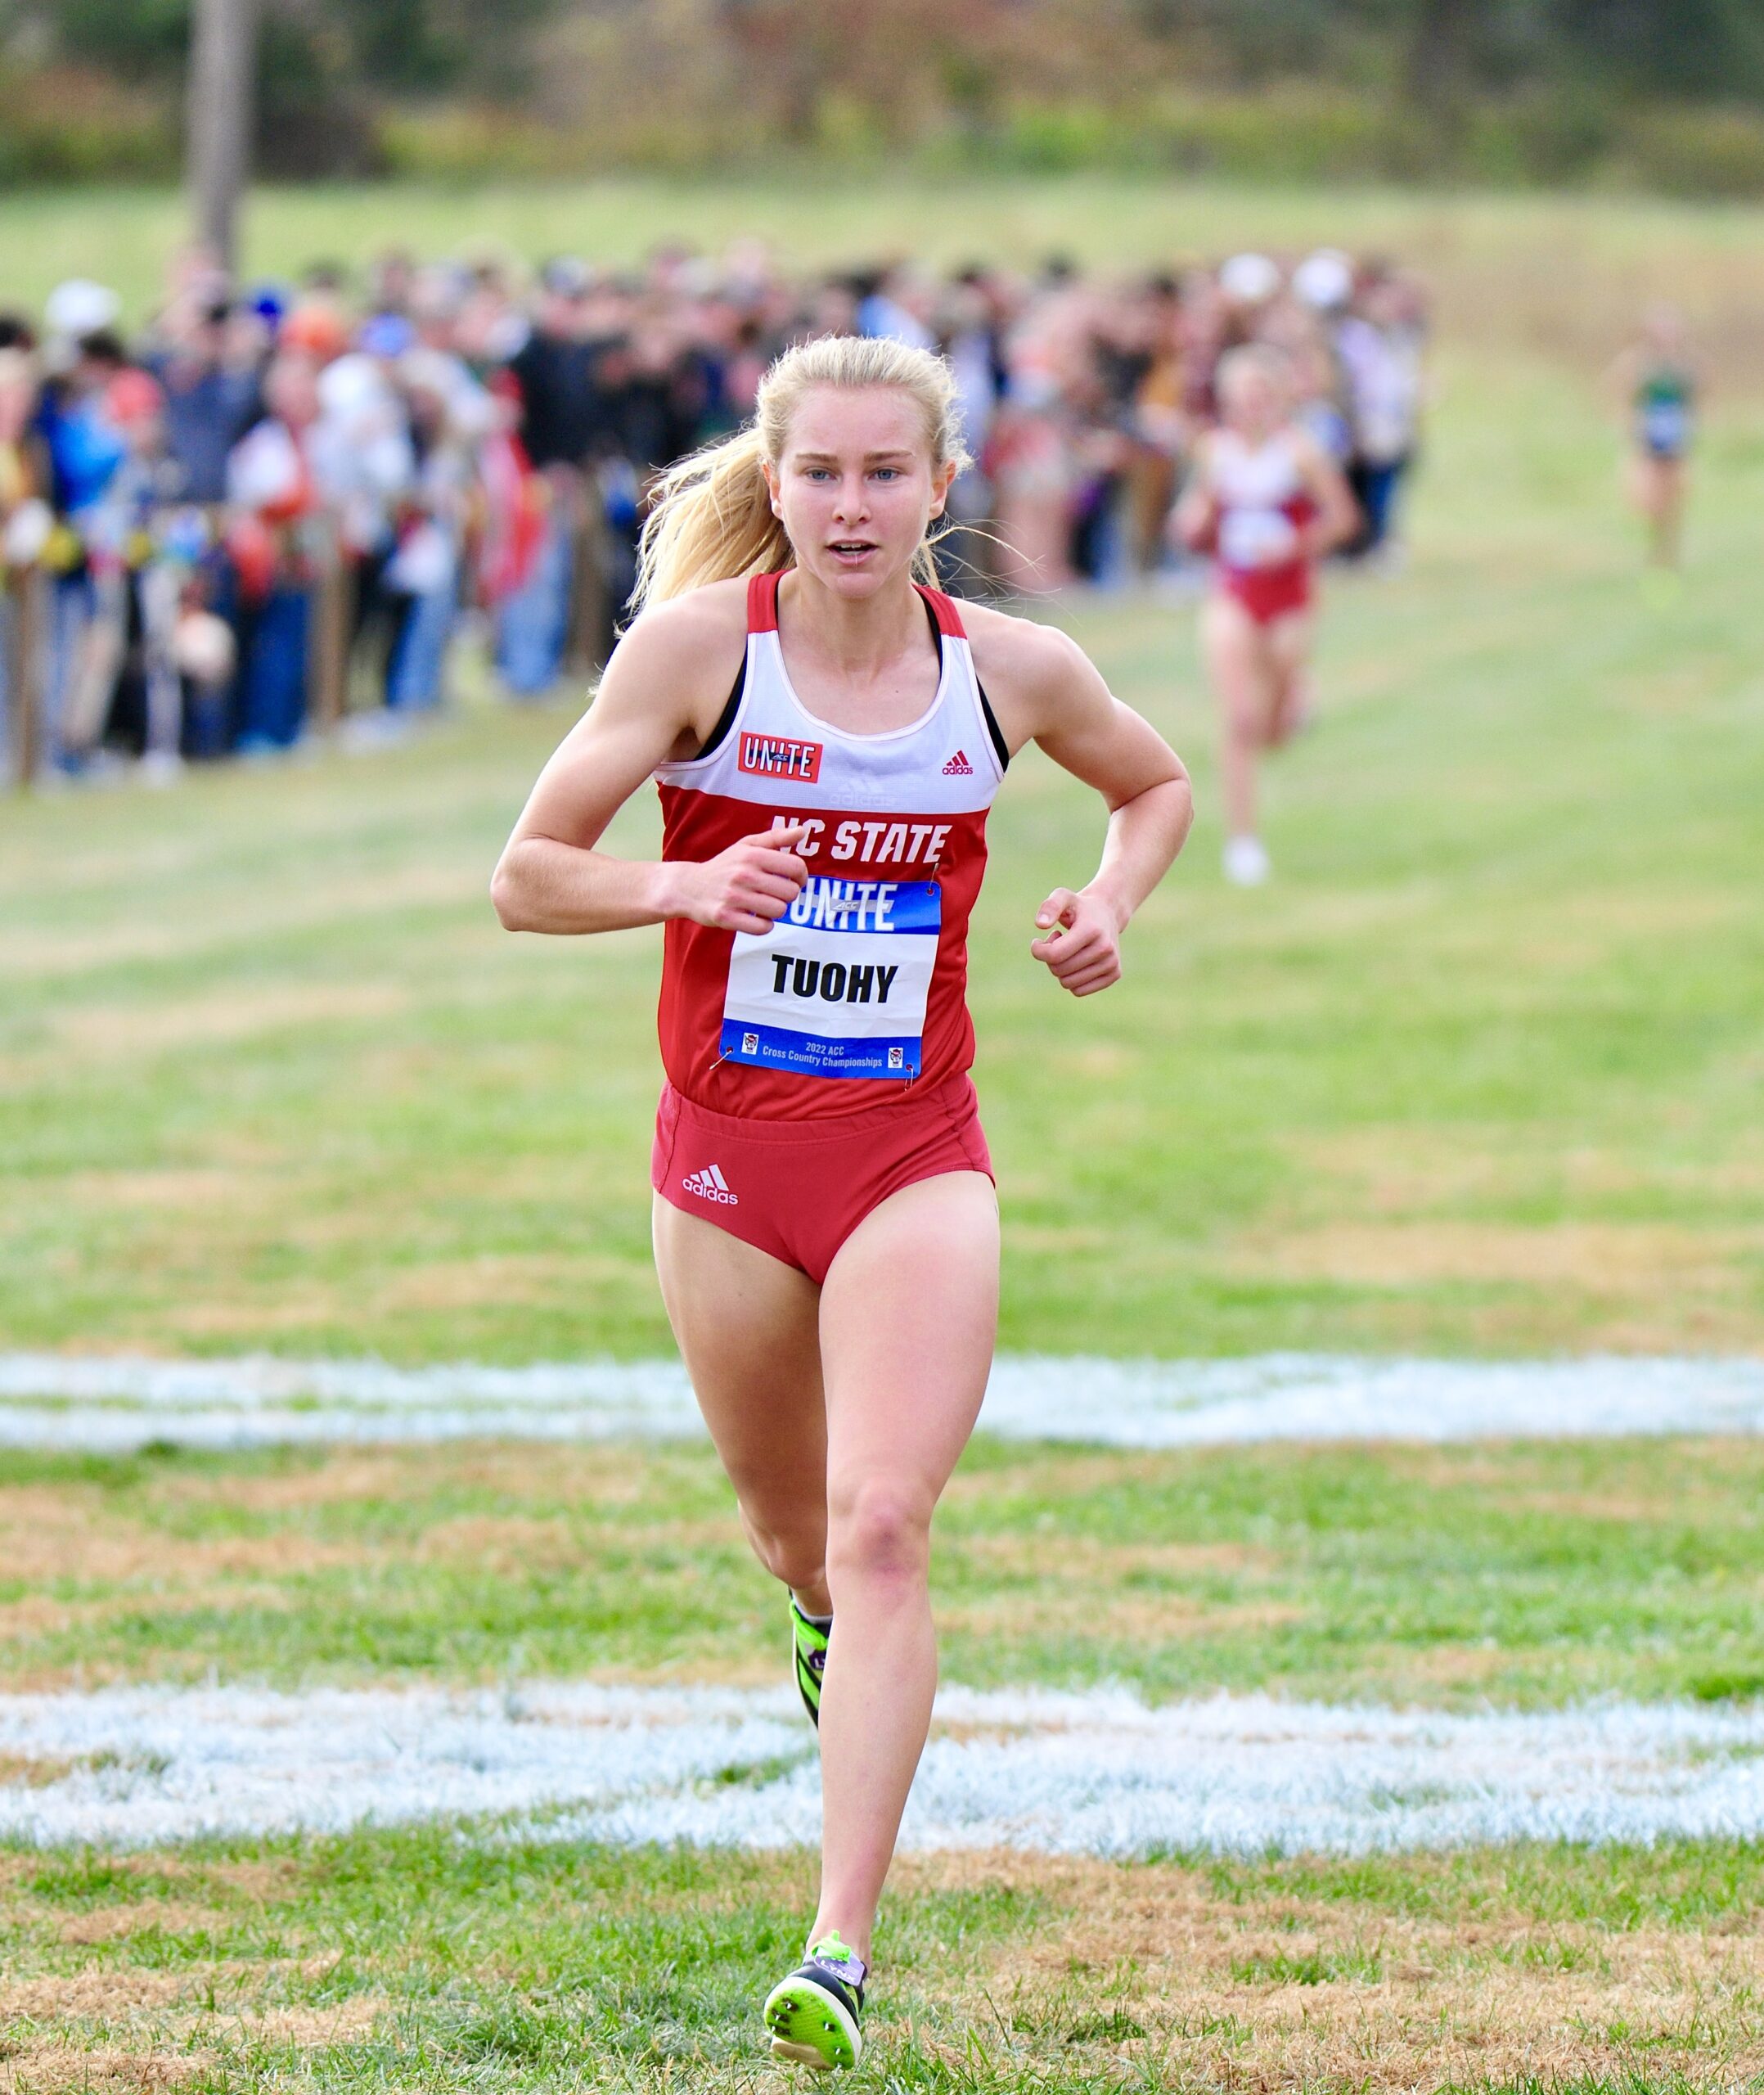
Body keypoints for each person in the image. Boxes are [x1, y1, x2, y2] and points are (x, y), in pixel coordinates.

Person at [490, 334, 1190, 2070]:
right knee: (801, 1534)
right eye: (821, 474)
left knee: (885, 1520)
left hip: (909, 1156)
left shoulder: (1011, 673)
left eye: (888, 474)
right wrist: (686, 875)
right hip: (725, 1164)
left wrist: (1111, 897)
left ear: (943, 489)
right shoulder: (696, 655)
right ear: (777, 482)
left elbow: (1152, 782)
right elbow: (525, 874)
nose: (853, 505)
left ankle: (838, 1947)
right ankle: (812, 1617)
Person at [1176, 343, 1356, 886]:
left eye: (1260, 395)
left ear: (1278, 398)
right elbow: (1199, 510)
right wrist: (1191, 521)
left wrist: (1295, 545)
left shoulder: (1299, 452)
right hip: (1233, 591)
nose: (1249, 406)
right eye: (1239, 396)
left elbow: (1343, 519)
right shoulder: (1213, 450)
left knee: (1274, 728)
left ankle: (1294, 699)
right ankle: (1243, 842)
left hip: (1290, 596)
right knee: (1239, 719)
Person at [1611, 304, 1696, 572]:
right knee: (1649, 498)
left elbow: (1699, 393)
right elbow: (1617, 389)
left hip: (1676, 438)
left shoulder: (1685, 365)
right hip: (1648, 438)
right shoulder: (1638, 364)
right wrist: (1631, 423)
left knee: (1675, 495)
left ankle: (1669, 550)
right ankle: (1656, 546)